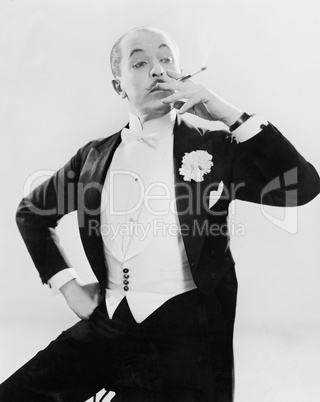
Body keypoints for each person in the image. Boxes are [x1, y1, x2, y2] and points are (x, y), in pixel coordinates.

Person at [0, 26, 319, 402]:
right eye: (140, 62)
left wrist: (225, 112)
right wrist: (68, 287)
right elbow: (31, 212)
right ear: (119, 86)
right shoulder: (92, 157)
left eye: (166, 59)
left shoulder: (215, 148)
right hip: (109, 325)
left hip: (185, 339)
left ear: (182, 75)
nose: (157, 69)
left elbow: (302, 186)